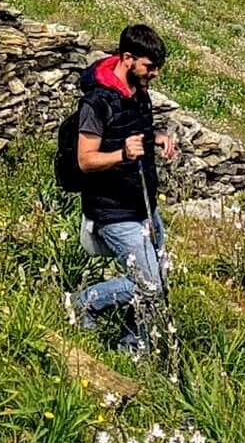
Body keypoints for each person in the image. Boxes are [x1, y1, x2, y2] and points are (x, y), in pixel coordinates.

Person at [65, 23, 180, 356]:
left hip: (144, 204)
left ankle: (132, 349)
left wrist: (154, 137)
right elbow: (86, 160)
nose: (154, 74)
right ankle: (85, 303)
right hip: (113, 211)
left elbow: (132, 131)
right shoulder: (97, 102)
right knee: (150, 285)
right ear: (128, 58)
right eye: (149, 66)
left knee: (157, 280)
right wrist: (122, 154)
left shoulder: (137, 90)